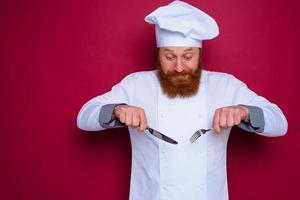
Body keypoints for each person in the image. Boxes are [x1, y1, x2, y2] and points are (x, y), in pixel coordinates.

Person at [77, 1, 288, 200]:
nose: (179, 67)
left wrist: (244, 111)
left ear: (200, 55)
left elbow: (280, 123)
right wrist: (116, 110)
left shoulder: (225, 85)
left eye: (188, 57)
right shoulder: (136, 84)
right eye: (169, 57)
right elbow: (84, 117)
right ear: (159, 55)